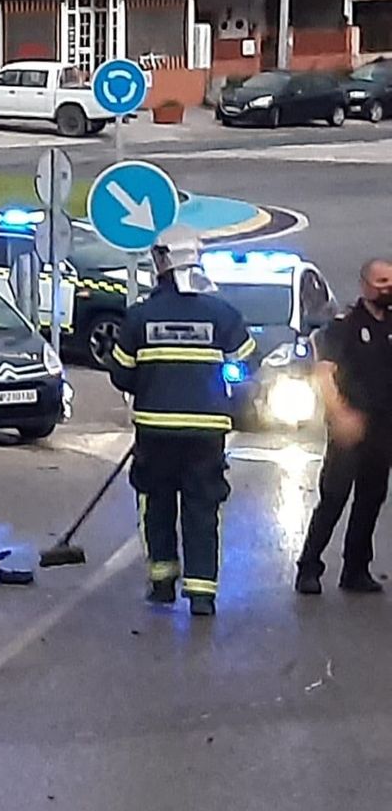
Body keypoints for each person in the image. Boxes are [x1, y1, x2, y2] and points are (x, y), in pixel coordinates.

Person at [109, 225, 254, 618]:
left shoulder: (141, 316)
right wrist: (229, 399)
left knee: (156, 504)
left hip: (154, 431)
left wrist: (153, 379)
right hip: (206, 433)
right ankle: (202, 594)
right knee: (202, 508)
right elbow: (246, 364)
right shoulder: (223, 314)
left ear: (161, 260)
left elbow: (121, 373)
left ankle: (162, 584)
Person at [295, 258, 392, 595]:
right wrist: (339, 415)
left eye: (390, 281)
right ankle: (309, 567)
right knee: (334, 497)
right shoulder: (345, 326)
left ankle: (356, 569)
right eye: (380, 281)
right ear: (365, 284)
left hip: (383, 429)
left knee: (371, 499)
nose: (386, 287)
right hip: (349, 427)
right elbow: (324, 373)